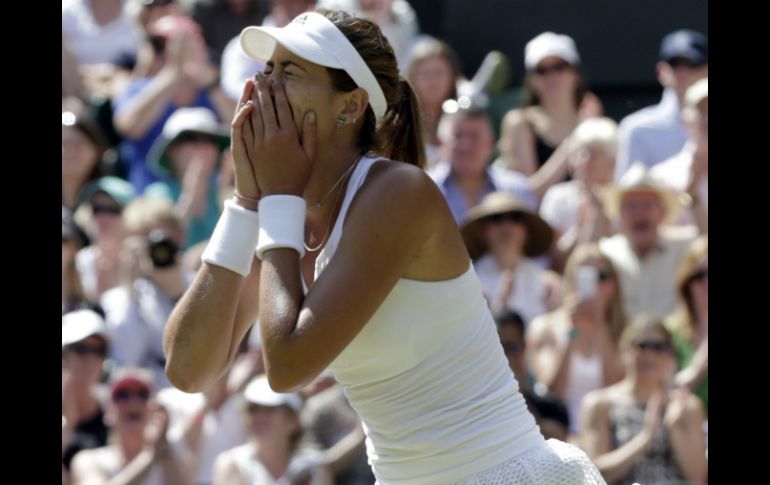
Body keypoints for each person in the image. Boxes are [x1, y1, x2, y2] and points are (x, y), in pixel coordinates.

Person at [164, 9, 605, 484]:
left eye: (289, 72)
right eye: (267, 69)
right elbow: (188, 369)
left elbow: (287, 366)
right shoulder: (284, 218)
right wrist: (246, 202)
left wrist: (278, 199)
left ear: (351, 106)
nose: (264, 86)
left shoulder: (399, 193)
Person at [580, 316, 707, 485]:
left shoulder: (687, 407)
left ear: (670, 355)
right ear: (624, 350)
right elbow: (594, 473)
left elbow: (697, 479)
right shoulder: (600, 404)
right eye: (641, 345)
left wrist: (676, 429)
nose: (649, 355)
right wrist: (645, 439)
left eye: (659, 347)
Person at [497, 31, 603, 201]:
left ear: (575, 74)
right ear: (532, 80)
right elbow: (527, 196)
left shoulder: (593, 121)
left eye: (559, 67)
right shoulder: (520, 122)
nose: (552, 77)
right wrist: (577, 136)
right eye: (542, 70)